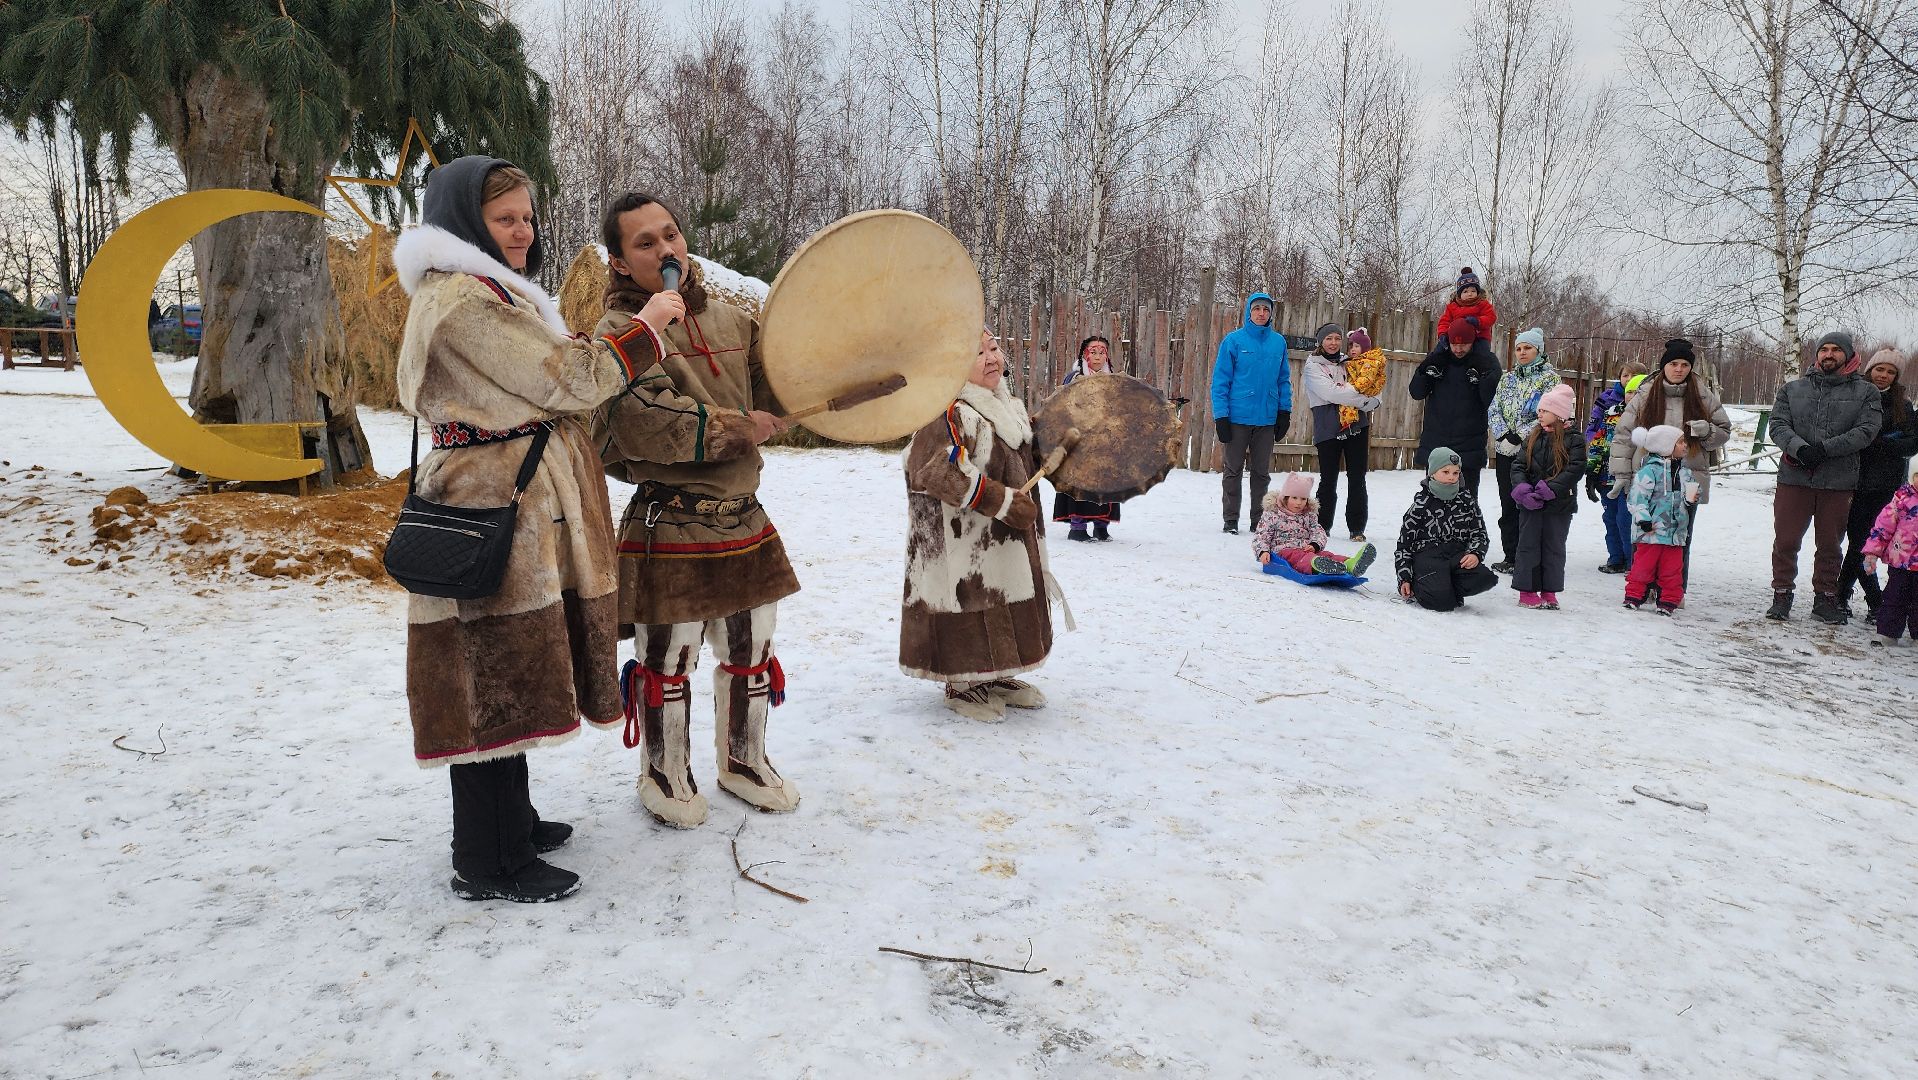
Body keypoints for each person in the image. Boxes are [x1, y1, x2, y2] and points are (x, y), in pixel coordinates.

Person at [394, 157, 739, 902]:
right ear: (464, 221)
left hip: (504, 504)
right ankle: (489, 859)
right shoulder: (464, 301)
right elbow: (572, 380)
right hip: (490, 510)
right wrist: (646, 331)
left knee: (509, 662)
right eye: (504, 219)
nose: (523, 231)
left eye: (527, 216)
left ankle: (511, 821)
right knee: (491, 674)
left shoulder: (482, 291)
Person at [592, 193, 800, 829]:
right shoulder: (618, 334)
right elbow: (644, 422)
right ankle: (664, 772)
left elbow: (782, 388)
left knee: (751, 650)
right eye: (645, 243)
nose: (666, 250)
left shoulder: (735, 323)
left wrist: (813, 382)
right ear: (620, 262)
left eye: (671, 234)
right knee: (668, 662)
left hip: (743, 516)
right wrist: (741, 427)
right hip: (670, 520)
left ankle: (744, 760)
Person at [901, 328, 1060, 721]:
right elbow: (936, 471)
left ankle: (995, 672)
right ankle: (962, 682)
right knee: (968, 600)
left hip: (1003, 537)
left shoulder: (1007, 407)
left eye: (994, 348)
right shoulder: (949, 412)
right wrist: (1002, 502)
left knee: (1005, 594)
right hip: (959, 540)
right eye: (977, 353)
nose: (991, 358)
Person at [1766, 331, 1884, 623]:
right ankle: (1782, 593)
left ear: (1848, 355)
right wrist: (1800, 449)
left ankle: (1825, 597)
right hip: (1794, 477)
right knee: (1786, 540)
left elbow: (1866, 431)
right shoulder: (1792, 389)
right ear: (1817, 354)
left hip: (1838, 482)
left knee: (1831, 545)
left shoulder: (1866, 392)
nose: (1829, 354)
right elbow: (1778, 424)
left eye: (1835, 349)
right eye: (1824, 349)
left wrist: (1825, 449)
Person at [1605, 339, 1730, 592]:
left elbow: (1724, 431)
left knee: (1680, 538)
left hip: (1687, 479)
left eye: (1685, 364)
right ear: (1664, 366)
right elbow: (1624, 434)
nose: (1679, 369)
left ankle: (1673, 590)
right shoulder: (1646, 393)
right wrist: (1621, 473)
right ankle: (1643, 588)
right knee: (1645, 535)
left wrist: (1707, 431)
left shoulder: (1702, 394)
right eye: (1674, 364)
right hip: (1648, 478)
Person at [1838, 351, 1917, 620]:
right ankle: (1873, 600)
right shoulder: (1854, 395)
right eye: (1880, 369)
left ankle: (1844, 594)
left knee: (1867, 542)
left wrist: (1881, 443)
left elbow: (1911, 443)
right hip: (1854, 479)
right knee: (1860, 541)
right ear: (1870, 369)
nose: (1884, 375)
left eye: (1891, 372)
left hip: (1886, 484)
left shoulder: (1902, 405)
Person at [1211, 293, 1292, 534]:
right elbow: (1221, 381)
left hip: (1266, 419)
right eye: (1257, 309)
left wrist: (1284, 411)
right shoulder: (1234, 341)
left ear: (1270, 313)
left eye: (1266, 309)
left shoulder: (1278, 343)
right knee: (1233, 470)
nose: (1261, 313)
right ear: (1249, 311)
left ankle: (1259, 520)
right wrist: (1221, 416)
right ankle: (1231, 519)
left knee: (1261, 473)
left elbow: (1283, 380)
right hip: (1237, 417)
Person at [1487, 327, 1561, 572]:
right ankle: (1511, 556)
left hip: (1535, 449)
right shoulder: (1507, 379)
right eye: (1518, 348)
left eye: (1528, 348)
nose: (1522, 352)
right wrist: (1502, 434)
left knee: (1530, 502)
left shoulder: (1550, 379)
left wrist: (1519, 435)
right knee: (1508, 502)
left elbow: (1549, 413)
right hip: (1505, 449)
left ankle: (1530, 557)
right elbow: (1494, 408)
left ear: (1538, 350)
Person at [1508, 384, 1586, 608]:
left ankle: (1549, 591)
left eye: (1545, 410)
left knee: (1554, 548)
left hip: (1559, 504)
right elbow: (1518, 465)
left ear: (1559, 413)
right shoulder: (1533, 436)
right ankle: (1527, 591)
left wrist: (1550, 489)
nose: (1540, 414)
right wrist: (1523, 489)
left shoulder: (1574, 439)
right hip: (1530, 504)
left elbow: (1575, 468)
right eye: (1539, 410)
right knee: (1528, 546)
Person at [1303, 322, 1382, 541]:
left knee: (1357, 477)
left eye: (1337, 338)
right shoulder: (1313, 366)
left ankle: (1357, 528)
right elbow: (1331, 393)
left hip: (1357, 425)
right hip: (1328, 427)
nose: (1333, 343)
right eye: (1329, 338)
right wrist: (1363, 400)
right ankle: (1322, 526)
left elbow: (1375, 385)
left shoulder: (1352, 361)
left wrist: (1372, 401)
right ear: (1321, 341)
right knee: (1328, 478)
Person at [1395, 447, 1498, 611]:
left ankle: (1446, 587)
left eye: (1456, 473)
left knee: (1486, 578)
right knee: (1441, 602)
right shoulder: (1420, 505)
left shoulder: (1466, 501)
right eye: (1446, 472)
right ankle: (1421, 584)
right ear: (1432, 473)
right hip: (1428, 558)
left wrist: (1475, 553)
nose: (1451, 477)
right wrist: (1404, 578)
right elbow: (1403, 547)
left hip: (1456, 556)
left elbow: (1479, 534)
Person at [1410, 326, 1500, 495]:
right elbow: (1416, 392)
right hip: (1436, 442)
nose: (1458, 349)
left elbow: (1491, 400)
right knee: (1433, 499)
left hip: (1469, 445)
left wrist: (1485, 376)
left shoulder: (1485, 361)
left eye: (1464, 344)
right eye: (1454, 344)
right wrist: (1425, 369)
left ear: (1473, 342)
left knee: (1467, 501)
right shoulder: (1438, 361)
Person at [1621, 425, 1698, 616]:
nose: (1685, 445)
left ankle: (1668, 600)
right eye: (1680, 442)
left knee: (1672, 571)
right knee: (1642, 567)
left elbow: (1689, 496)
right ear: (1665, 446)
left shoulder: (1685, 472)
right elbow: (1637, 498)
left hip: (1675, 534)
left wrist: (1691, 499)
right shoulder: (1649, 471)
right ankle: (1634, 595)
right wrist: (1643, 519)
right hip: (1651, 532)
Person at [1052, 335, 1122, 542]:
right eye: (1093, 352)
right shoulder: (1074, 378)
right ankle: (1078, 528)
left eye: (1102, 352)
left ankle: (1101, 526)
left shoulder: (1113, 380)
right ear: (1085, 354)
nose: (1098, 356)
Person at [1252, 472, 1378, 576]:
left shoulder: (1308, 515)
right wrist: (1263, 552)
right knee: (1298, 557)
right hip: (1283, 552)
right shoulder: (1273, 514)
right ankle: (1318, 566)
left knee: (1326, 555)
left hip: (1307, 550)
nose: (1299, 503)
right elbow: (1261, 536)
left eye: (1303, 499)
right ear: (1285, 497)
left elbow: (1318, 532)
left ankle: (1350, 564)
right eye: (1294, 498)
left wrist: (1315, 545)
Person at [1584, 364, 1646, 573]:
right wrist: (1592, 471)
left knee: (1625, 519)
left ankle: (1632, 562)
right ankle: (1616, 558)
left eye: (1636, 391)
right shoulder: (1610, 412)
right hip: (1607, 474)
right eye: (1629, 390)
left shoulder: (1646, 418)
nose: (1631, 394)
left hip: (1632, 477)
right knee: (1610, 517)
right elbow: (1598, 441)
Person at [1861, 463, 1918, 647]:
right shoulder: (1902, 498)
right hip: (1900, 562)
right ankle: (1887, 632)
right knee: (1894, 597)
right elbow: (1883, 527)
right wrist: (1872, 553)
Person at [1435, 267, 1498, 359]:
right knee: (1441, 348)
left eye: (1473, 291)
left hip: (1479, 337)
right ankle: (1434, 363)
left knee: (1482, 352)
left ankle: (1480, 366)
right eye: (1465, 291)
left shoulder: (1483, 304)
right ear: (1459, 294)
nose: (1470, 294)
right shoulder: (1452, 307)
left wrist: (1478, 321)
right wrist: (1443, 334)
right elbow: (1444, 322)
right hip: (1456, 339)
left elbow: (1491, 317)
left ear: (1478, 292)